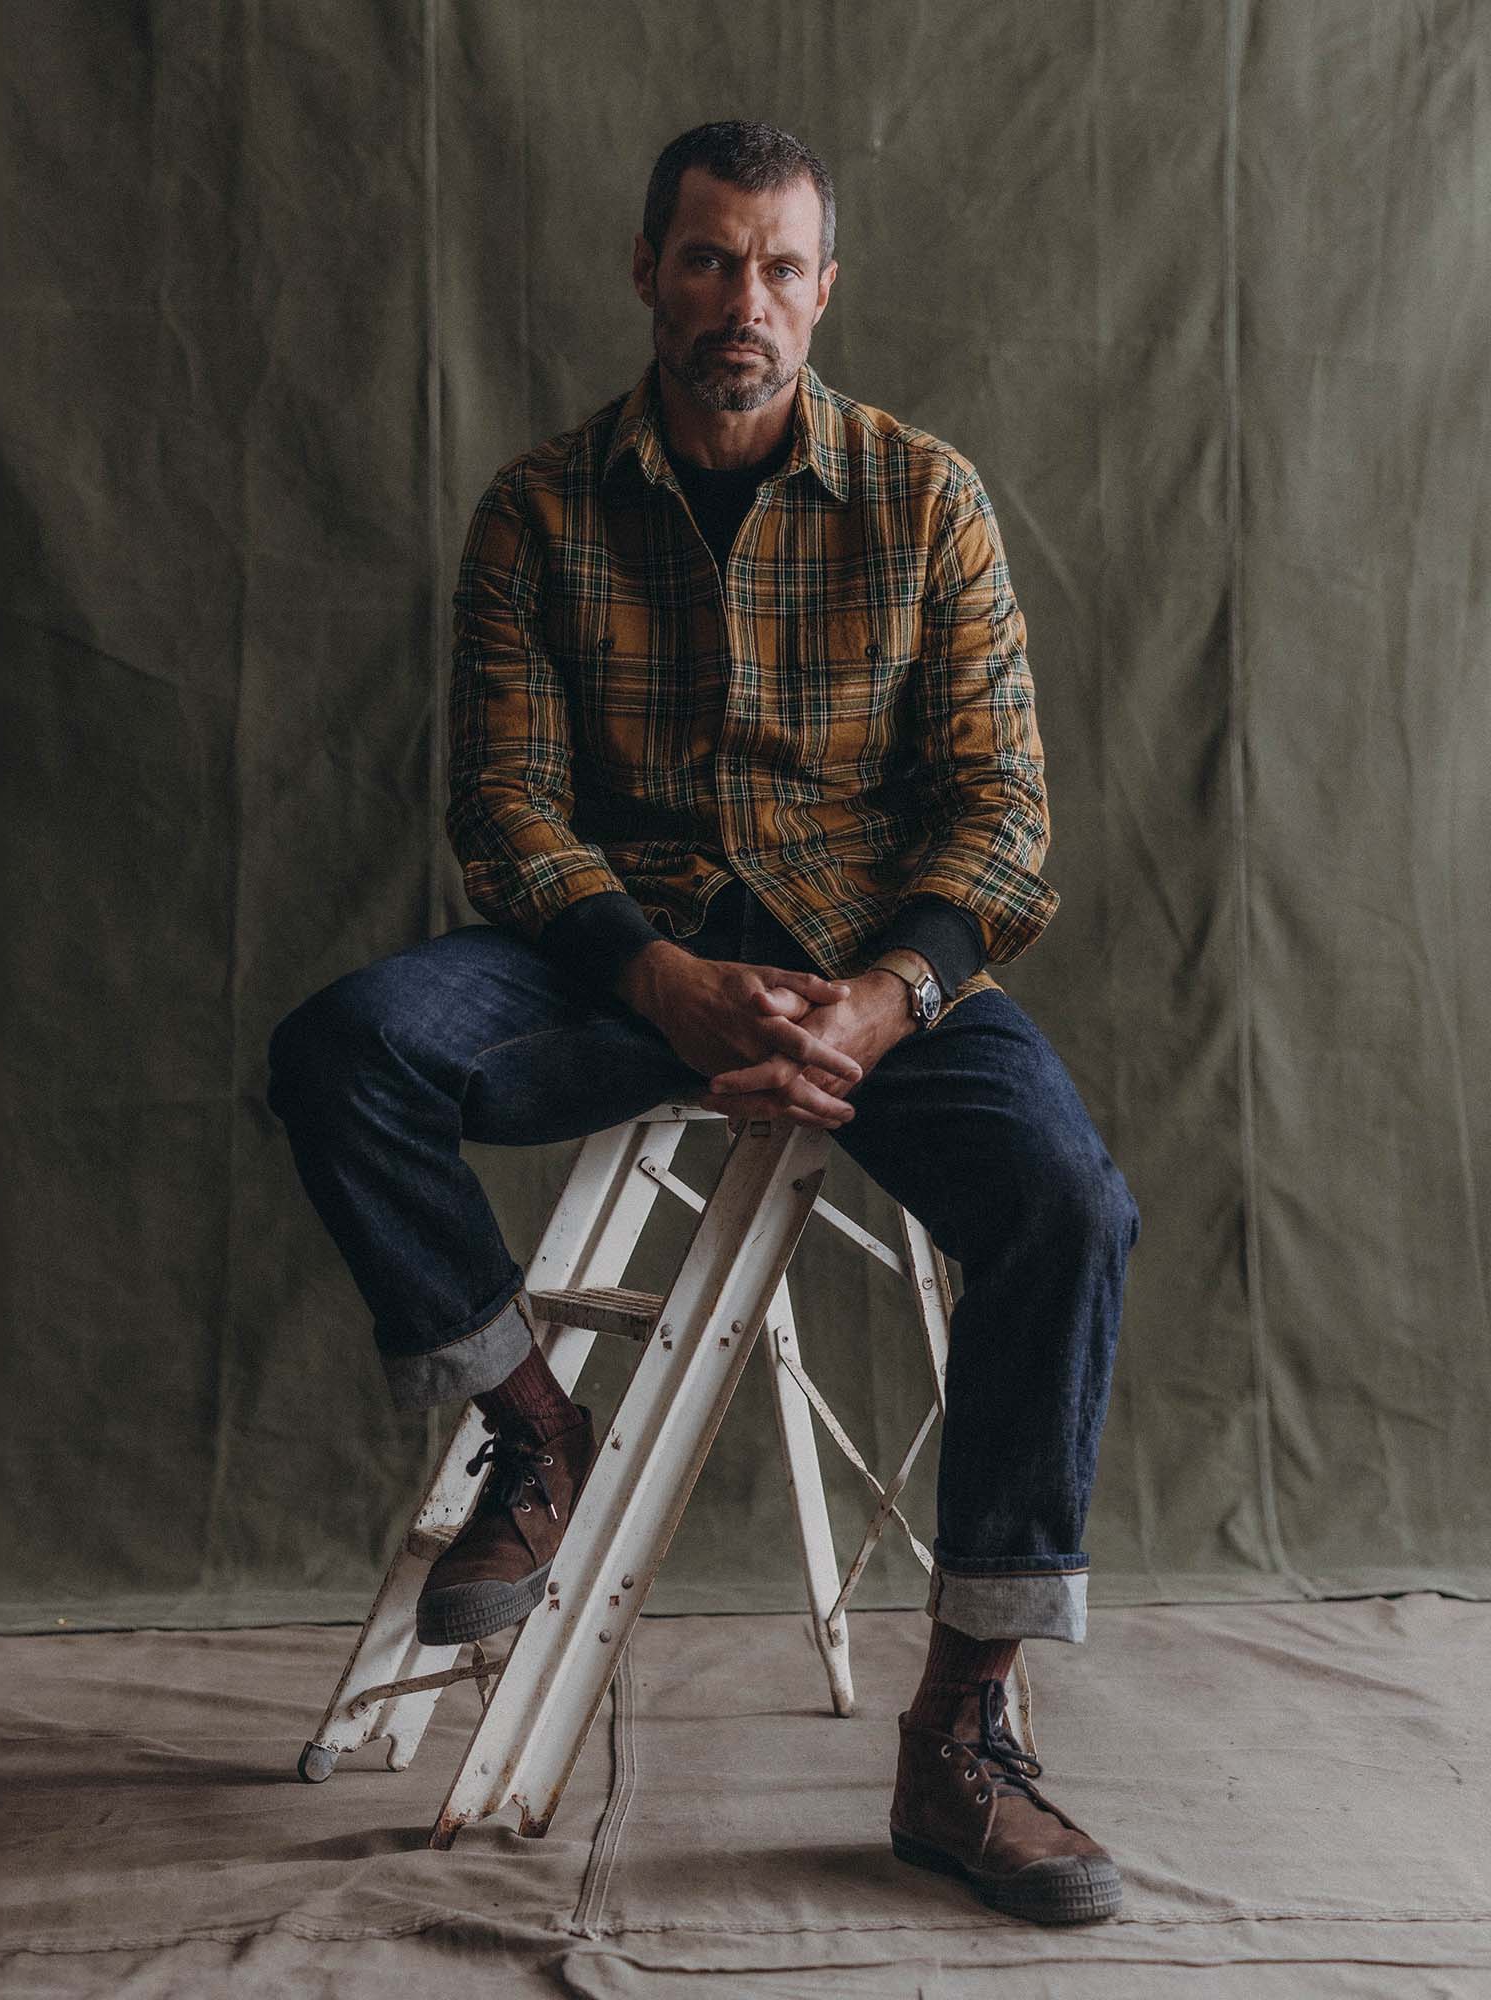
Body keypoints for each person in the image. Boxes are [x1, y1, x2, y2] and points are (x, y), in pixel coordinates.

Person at [267, 119, 1139, 1926]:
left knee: (1070, 1206)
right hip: (623, 968)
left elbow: (1002, 816)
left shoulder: (927, 497)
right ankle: (537, 1425)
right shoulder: (539, 510)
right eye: (707, 260)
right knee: (342, 1050)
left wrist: (887, 1000)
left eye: (779, 267)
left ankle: (962, 1736)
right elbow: (505, 808)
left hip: (867, 974)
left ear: (826, 291)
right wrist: (659, 974)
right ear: (646, 271)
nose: (742, 300)